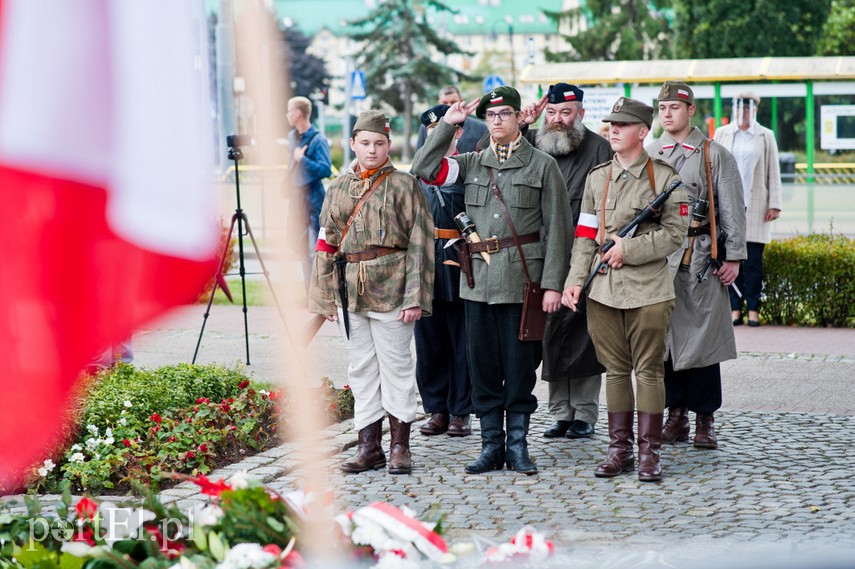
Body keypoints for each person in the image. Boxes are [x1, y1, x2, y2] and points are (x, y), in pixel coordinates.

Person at [412, 86, 569, 476]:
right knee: (480, 366)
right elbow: (425, 169)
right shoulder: (471, 162)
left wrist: (552, 285)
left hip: (523, 281)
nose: (497, 121)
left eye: (504, 114)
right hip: (478, 283)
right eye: (491, 116)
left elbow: (558, 230)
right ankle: (490, 446)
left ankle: (517, 446)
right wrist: (447, 127)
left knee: (519, 368)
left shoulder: (542, 165)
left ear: (519, 118)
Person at [562, 97, 689, 482]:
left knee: (648, 372)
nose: (613, 130)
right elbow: (585, 234)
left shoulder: (664, 179)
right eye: (611, 124)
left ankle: (649, 454)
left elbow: (675, 235)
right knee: (615, 372)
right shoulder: (597, 177)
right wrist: (574, 280)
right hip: (603, 291)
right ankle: (620, 451)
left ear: (642, 131)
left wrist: (628, 249)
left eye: (622, 124)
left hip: (649, 291)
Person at [308, 110, 434, 475]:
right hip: (350, 293)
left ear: (389, 145)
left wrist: (415, 297)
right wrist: (323, 297)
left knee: (395, 368)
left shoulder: (404, 185)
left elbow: (421, 246)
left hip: (393, 290)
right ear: (352, 144)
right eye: (365, 143)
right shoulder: (337, 188)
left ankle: (399, 446)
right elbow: (325, 242)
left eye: (379, 143)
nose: (372, 150)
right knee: (361, 369)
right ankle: (368, 446)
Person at [648, 81, 747, 451]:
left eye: (675, 107)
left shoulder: (713, 154)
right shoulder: (651, 152)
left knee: (703, 340)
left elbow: (733, 207)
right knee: (665, 341)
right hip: (660, 261)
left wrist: (734, 255)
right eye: (663, 108)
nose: (668, 113)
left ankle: (705, 418)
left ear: (691, 111)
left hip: (700, 257)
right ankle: (676, 415)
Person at [511, 83, 612, 440]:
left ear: (580, 114)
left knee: (585, 336)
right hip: (543, 255)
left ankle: (585, 413)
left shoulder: (600, 149)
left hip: (585, 255)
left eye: (565, 113)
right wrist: (522, 126)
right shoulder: (534, 143)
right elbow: (492, 155)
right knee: (551, 334)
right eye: (551, 113)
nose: (558, 120)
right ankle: (561, 413)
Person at [413, 104, 473, 438]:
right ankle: (436, 408)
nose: (435, 137)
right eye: (430, 132)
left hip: (460, 260)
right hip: (425, 264)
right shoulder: (416, 175)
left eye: (443, 131)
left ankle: (461, 411)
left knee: (462, 340)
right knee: (429, 341)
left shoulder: (466, 169)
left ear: (457, 133)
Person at [713, 92, 783, 327]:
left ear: (754, 109)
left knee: (753, 261)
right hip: (727, 204)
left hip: (755, 205)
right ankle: (735, 308)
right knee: (731, 257)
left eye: (748, 107)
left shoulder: (765, 135)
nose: (743, 111)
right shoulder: (722, 133)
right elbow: (712, 168)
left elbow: (773, 171)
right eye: (739, 106)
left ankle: (753, 308)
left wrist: (774, 204)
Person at [286, 96, 332, 286]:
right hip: (296, 202)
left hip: (313, 203)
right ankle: (309, 294)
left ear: (298, 113)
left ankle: (318, 296)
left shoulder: (318, 139)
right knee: (300, 250)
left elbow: (325, 169)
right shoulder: (292, 137)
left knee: (314, 252)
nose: (286, 115)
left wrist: (302, 159)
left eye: (289, 110)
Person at [415, 85, 488, 153]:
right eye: (444, 103)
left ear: (461, 101)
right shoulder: (427, 127)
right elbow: (419, 158)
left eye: (453, 102)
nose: (449, 107)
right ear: (439, 103)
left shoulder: (480, 128)